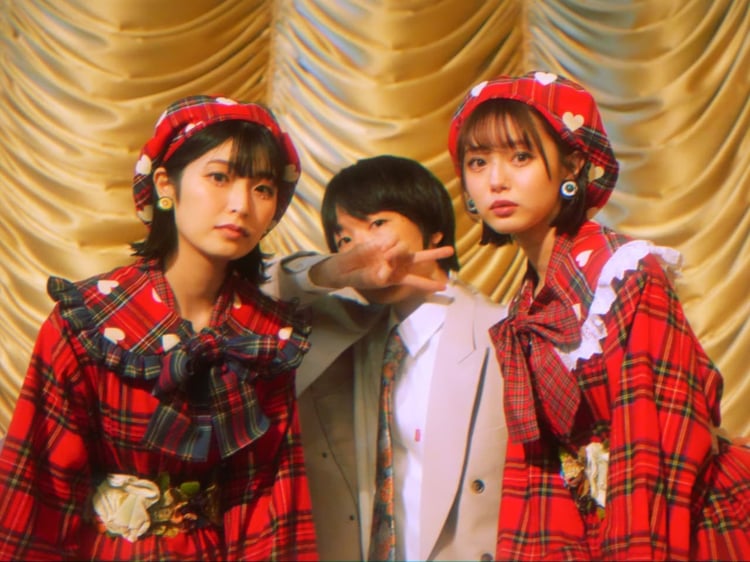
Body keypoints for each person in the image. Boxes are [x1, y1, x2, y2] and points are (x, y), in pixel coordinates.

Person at [448, 71, 750, 560]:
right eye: (477, 162)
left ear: (572, 164)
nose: (496, 180)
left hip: (684, 524)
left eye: (521, 157)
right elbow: (541, 471)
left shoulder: (622, 273)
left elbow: (658, 445)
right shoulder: (527, 302)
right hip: (596, 528)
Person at [0, 95, 317, 560]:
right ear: (166, 183)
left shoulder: (266, 337)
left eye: (263, 188)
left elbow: (270, 503)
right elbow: (40, 489)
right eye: (219, 177)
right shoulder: (90, 321)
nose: (241, 205)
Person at [264, 154, 508, 561]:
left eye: (377, 224)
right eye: (344, 240)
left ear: (432, 230)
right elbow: (257, 283)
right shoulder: (345, 333)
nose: (361, 248)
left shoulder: (499, 332)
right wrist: (330, 272)